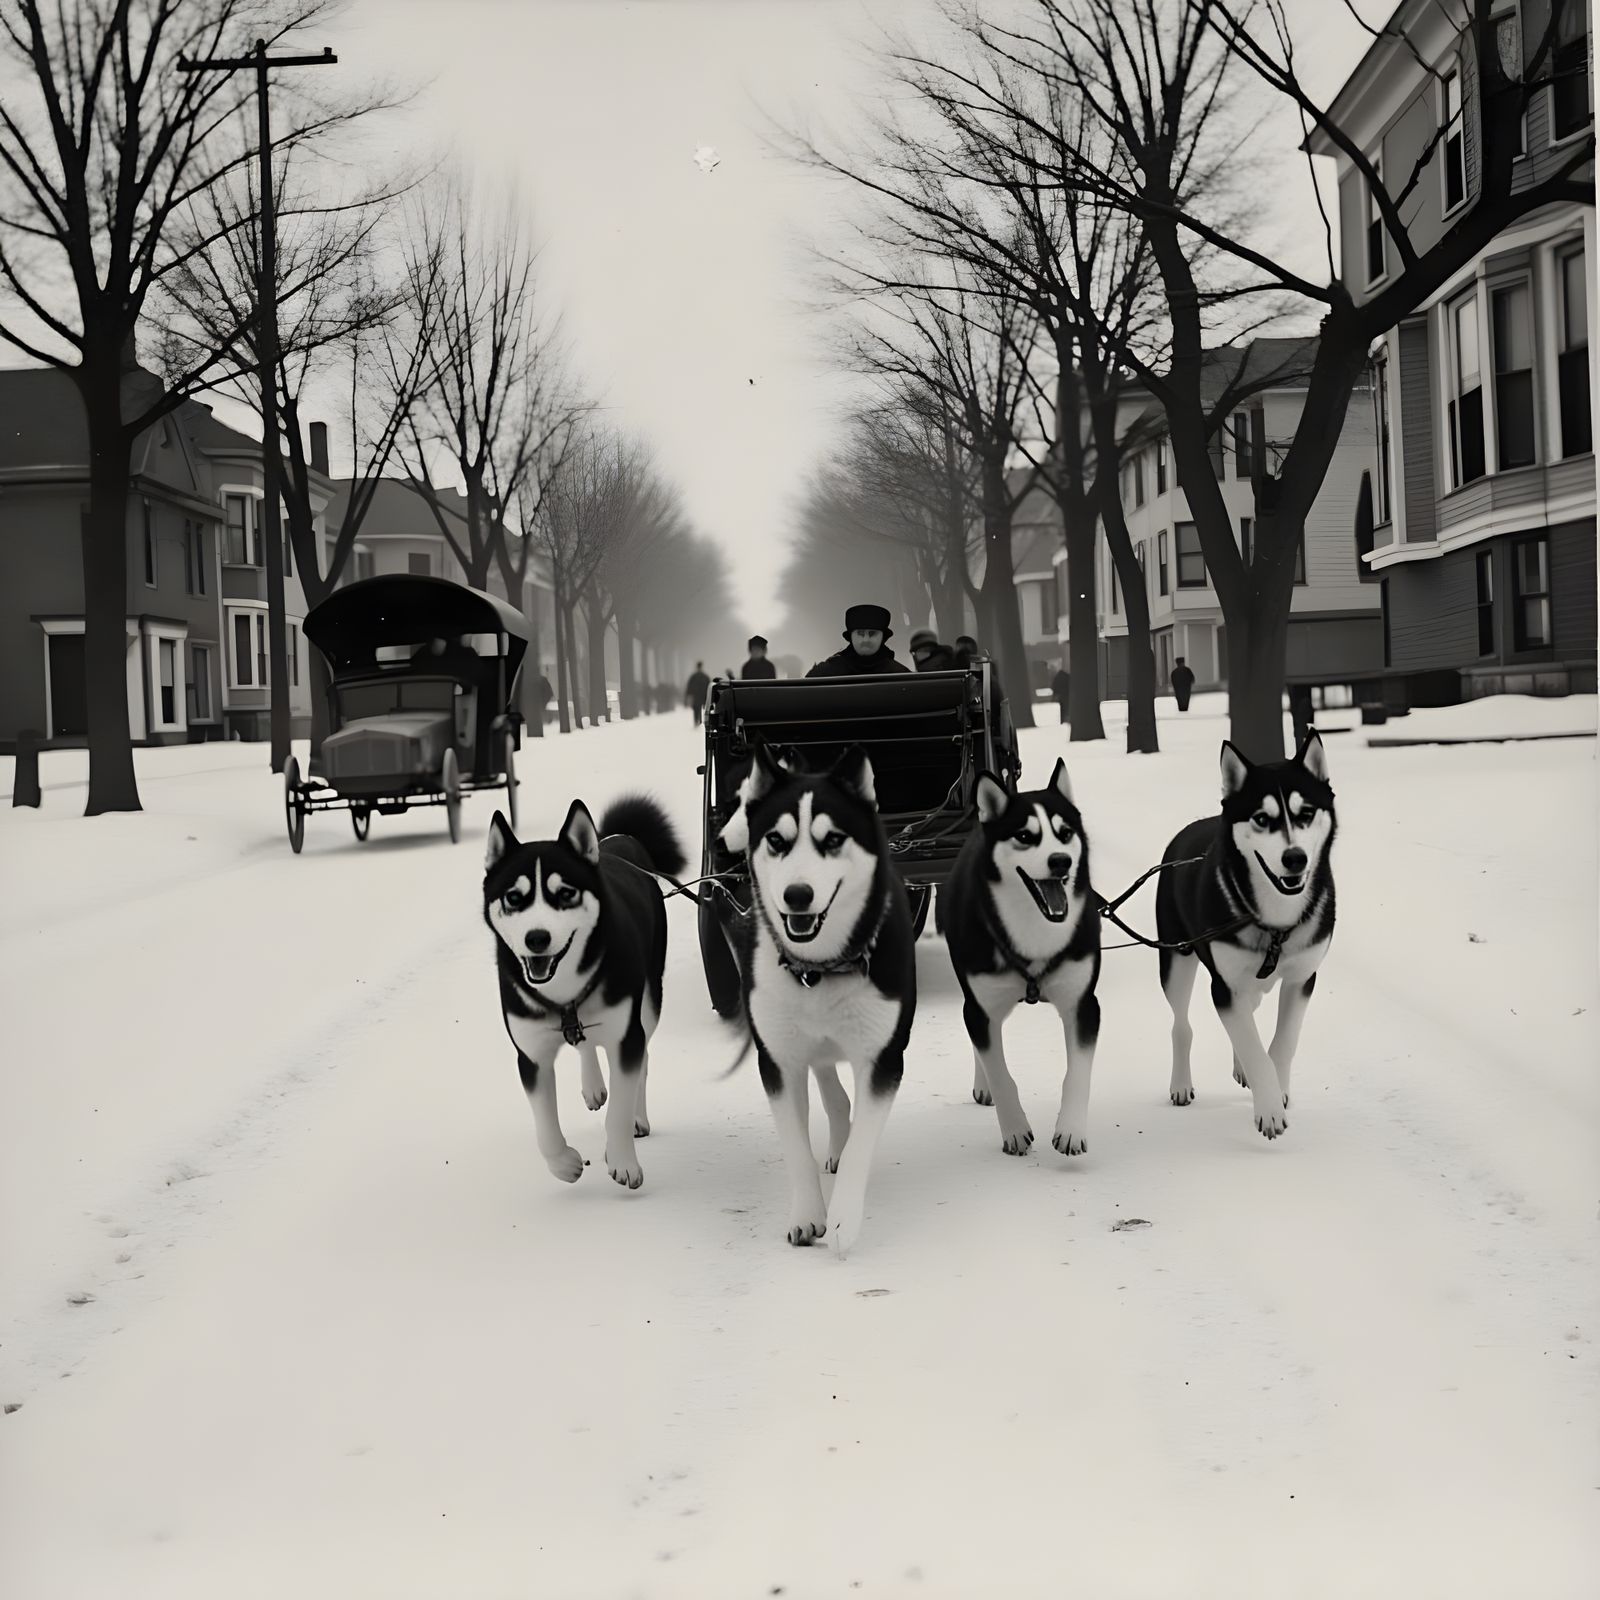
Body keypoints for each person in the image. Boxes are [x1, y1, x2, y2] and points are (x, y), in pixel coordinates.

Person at [805, 604, 910, 677]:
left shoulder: (900, 675)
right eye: (860, 633)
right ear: (851, 636)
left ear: (883, 637)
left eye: (872, 633)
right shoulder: (825, 673)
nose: (866, 639)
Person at [530, 664, 554, 736]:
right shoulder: (543, 679)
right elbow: (549, 690)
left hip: (539, 699)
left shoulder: (532, 680)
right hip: (542, 699)